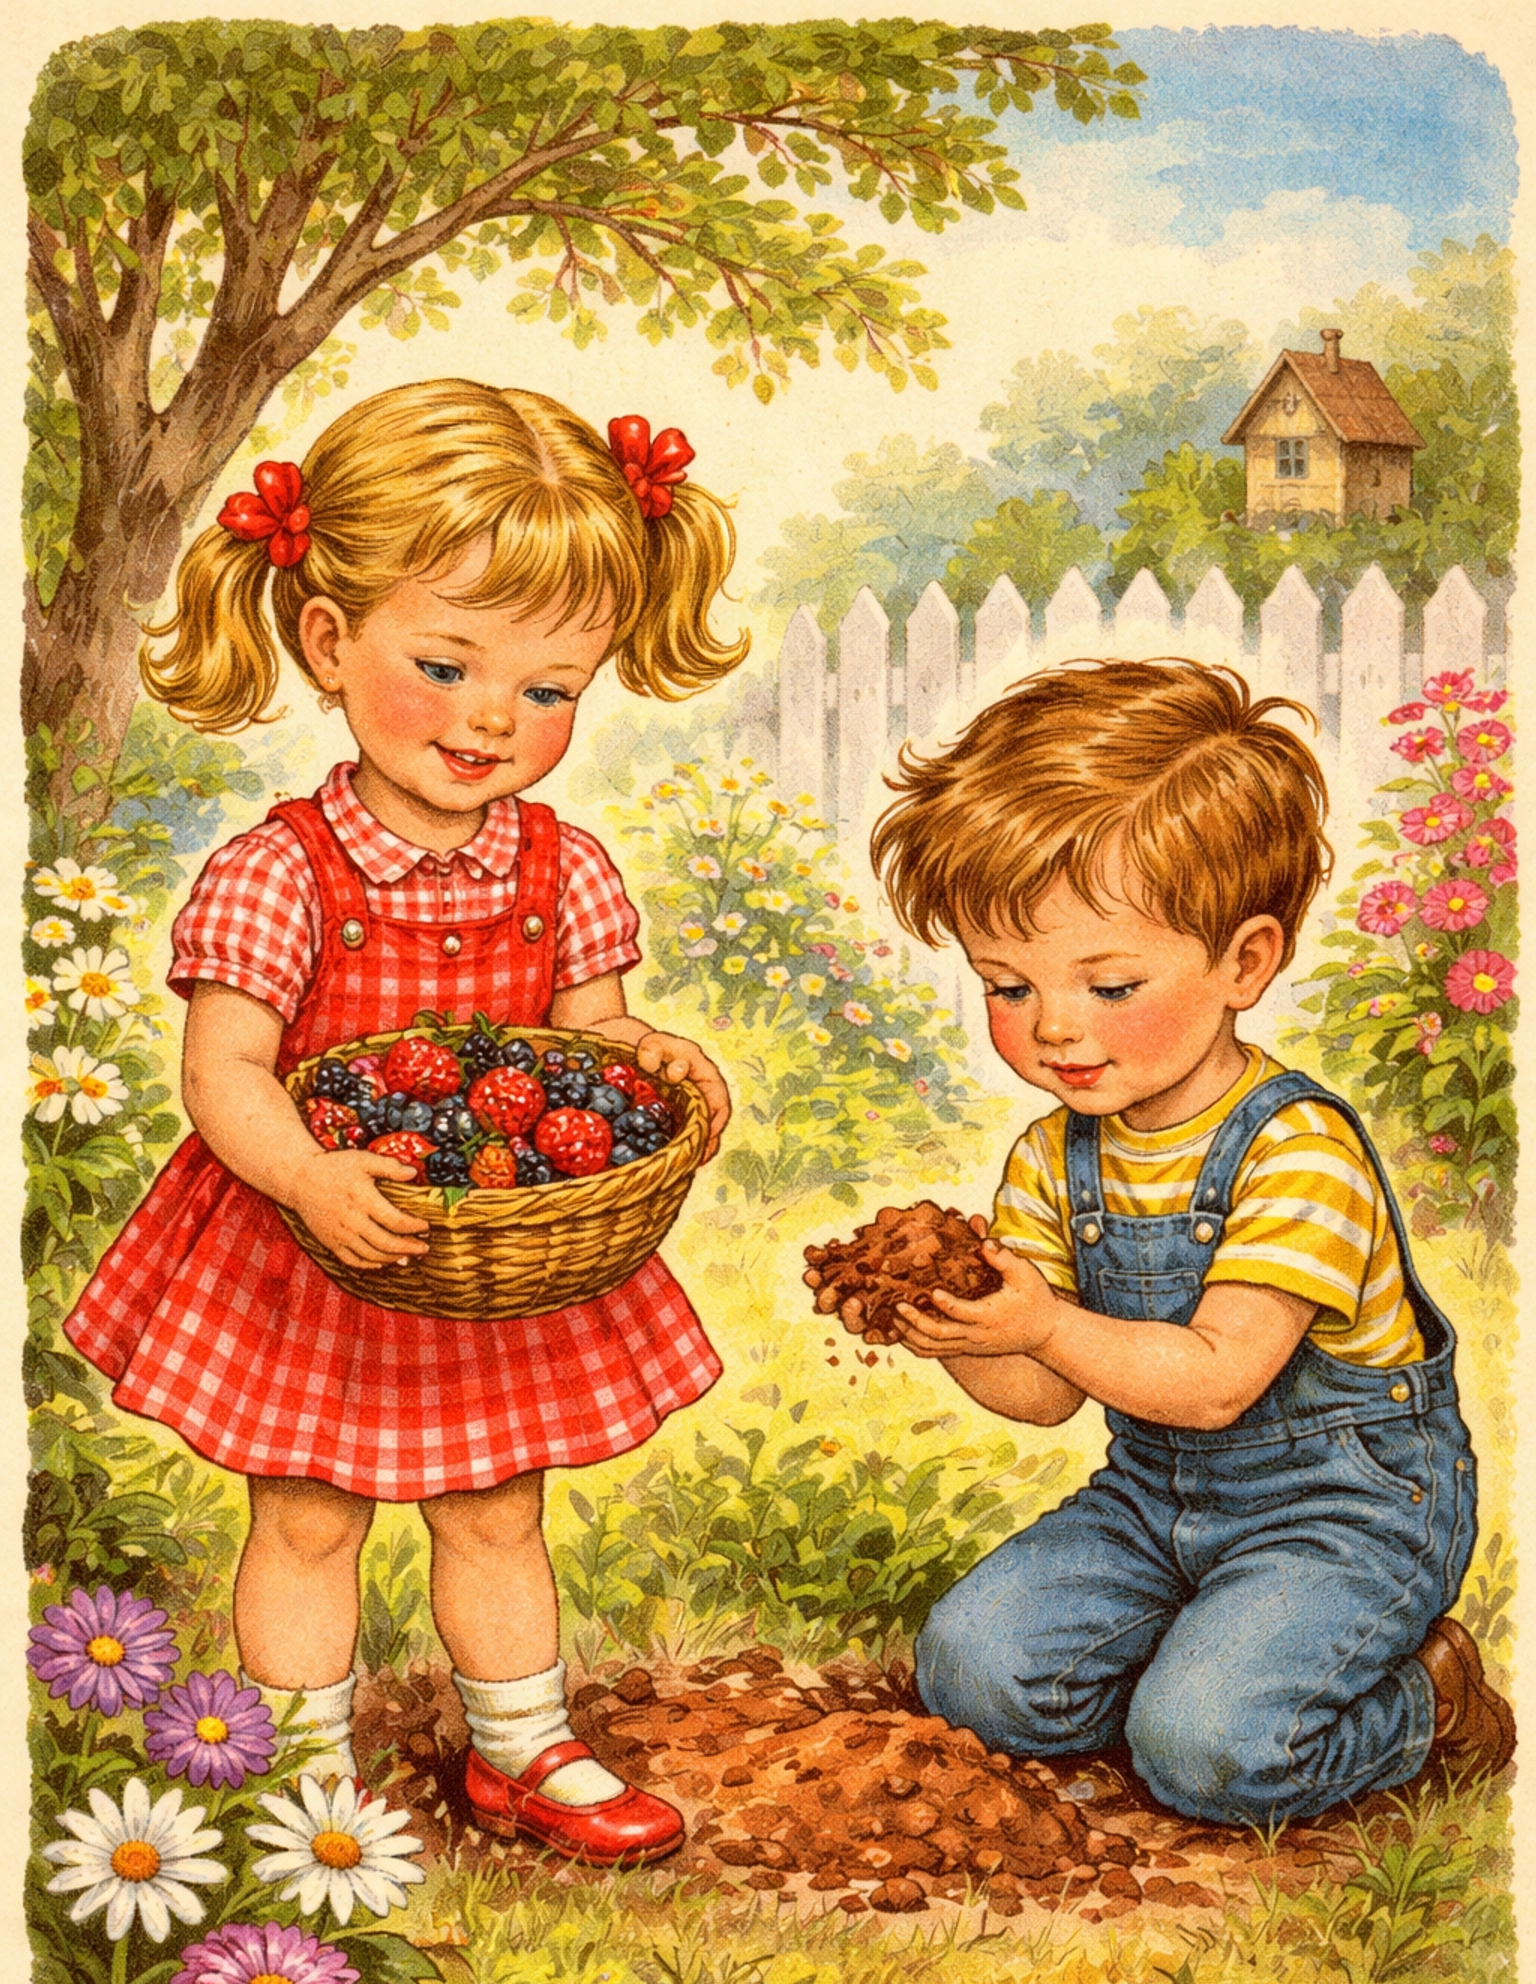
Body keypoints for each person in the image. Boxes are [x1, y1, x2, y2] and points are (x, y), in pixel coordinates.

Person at [66, 380, 746, 1866]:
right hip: (314, 1258)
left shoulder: (563, 867)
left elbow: (588, 1057)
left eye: (554, 687)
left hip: (486, 1272)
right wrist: (310, 1175)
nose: (496, 717)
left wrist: (653, 1058)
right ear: (327, 641)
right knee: (306, 1521)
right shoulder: (279, 872)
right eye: (446, 663)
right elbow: (226, 1076)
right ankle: (296, 1777)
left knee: (498, 1511)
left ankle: (523, 1748)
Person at [812, 658, 1513, 1825]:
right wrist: (949, 1326)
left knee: (1211, 1758)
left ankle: (1427, 1699)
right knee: (973, 1673)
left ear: (1245, 961)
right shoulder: (1054, 1154)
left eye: (1111, 980)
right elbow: (1041, 1397)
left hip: (1345, 1513)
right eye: (1007, 984)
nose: (1055, 1028)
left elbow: (1216, 1383)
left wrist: (1038, 1315)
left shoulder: (1298, 1151)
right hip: (1153, 1502)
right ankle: (1204, 1658)